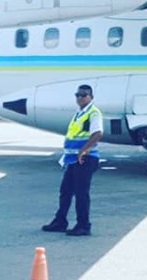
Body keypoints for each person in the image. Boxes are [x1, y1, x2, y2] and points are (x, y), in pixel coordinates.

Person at [42, 84, 103, 236]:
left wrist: (84, 150)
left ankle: (84, 225)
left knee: (81, 193)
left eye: (84, 95)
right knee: (66, 191)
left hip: (85, 159)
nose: (80, 98)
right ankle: (60, 221)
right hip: (73, 159)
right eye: (78, 95)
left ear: (91, 97)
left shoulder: (93, 113)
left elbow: (97, 133)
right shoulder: (79, 113)